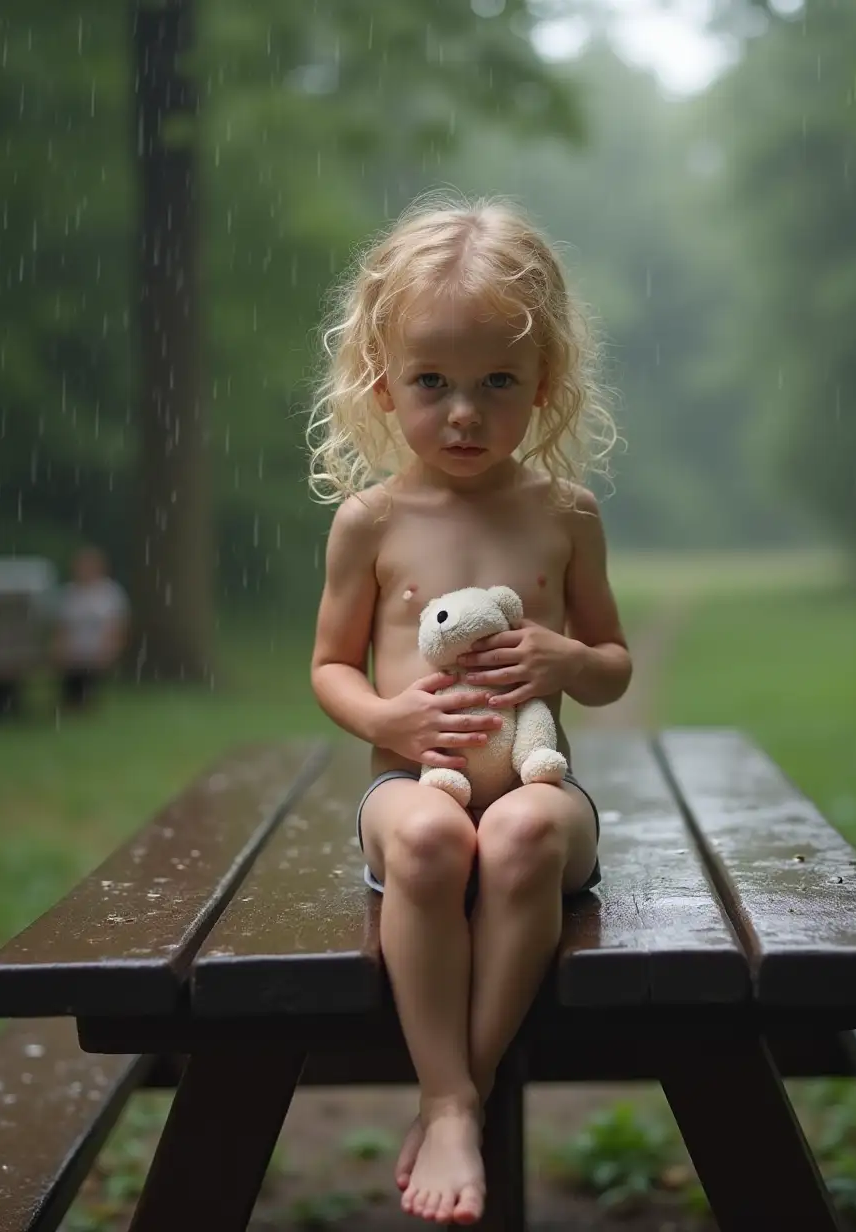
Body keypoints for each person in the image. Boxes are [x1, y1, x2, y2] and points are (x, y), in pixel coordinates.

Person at [308, 195, 632, 1225]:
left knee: (526, 830)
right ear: (381, 383)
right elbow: (328, 665)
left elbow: (613, 664)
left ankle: (459, 1091)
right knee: (435, 836)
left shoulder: (564, 516)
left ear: (545, 386)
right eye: (432, 382)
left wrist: (570, 653)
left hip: (539, 787)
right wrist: (386, 722)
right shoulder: (372, 521)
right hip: (414, 784)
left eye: (497, 382)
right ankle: (452, 1096)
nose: (464, 412)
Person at [53, 546, 130, 710]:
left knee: (89, 681)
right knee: (72, 682)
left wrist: (109, 648)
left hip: (95, 650)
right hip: (74, 651)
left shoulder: (109, 594)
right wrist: (60, 648)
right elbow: (62, 626)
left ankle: (87, 704)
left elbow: (116, 625)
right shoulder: (69, 594)